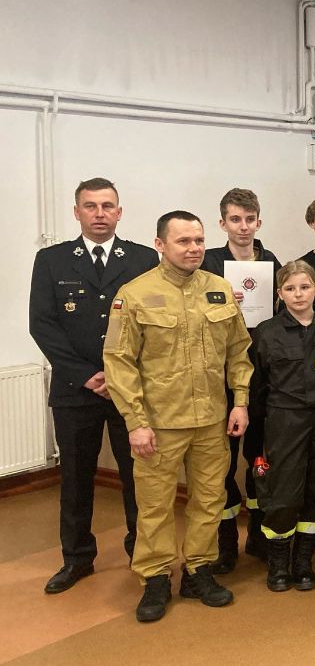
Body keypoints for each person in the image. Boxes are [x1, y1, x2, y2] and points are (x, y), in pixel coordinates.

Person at [104, 211, 253, 622]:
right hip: (159, 424)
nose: (193, 248)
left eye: (199, 240)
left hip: (211, 420)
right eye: (183, 241)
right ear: (160, 245)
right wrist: (136, 422)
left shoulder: (219, 290)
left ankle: (198, 570)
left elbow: (239, 351)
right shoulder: (134, 295)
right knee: (154, 504)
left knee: (209, 499)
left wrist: (240, 401)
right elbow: (118, 362)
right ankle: (154, 577)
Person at [29, 178, 159, 594]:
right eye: (90, 206)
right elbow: (43, 324)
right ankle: (77, 558)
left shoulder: (142, 258)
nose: (99, 213)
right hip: (75, 390)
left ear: (119, 212)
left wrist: (120, 376)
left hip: (131, 390)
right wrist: (86, 375)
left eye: (107, 206)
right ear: (77, 212)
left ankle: (143, 553)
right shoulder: (52, 260)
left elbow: (153, 324)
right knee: (75, 478)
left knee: (139, 477)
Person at [249, 261, 315, 592]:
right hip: (285, 421)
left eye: (305, 287)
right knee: (283, 493)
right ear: (280, 294)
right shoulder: (267, 332)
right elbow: (258, 385)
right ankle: (278, 563)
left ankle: (303, 561)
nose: (298, 294)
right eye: (290, 289)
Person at [199, 187, 282, 573]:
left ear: (259, 222)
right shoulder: (209, 265)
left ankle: (261, 533)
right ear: (223, 223)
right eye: (235, 219)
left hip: (263, 375)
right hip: (221, 375)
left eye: (250, 219)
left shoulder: (272, 262)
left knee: (259, 458)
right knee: (222, 460)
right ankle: (226, 539)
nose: (243, 226)